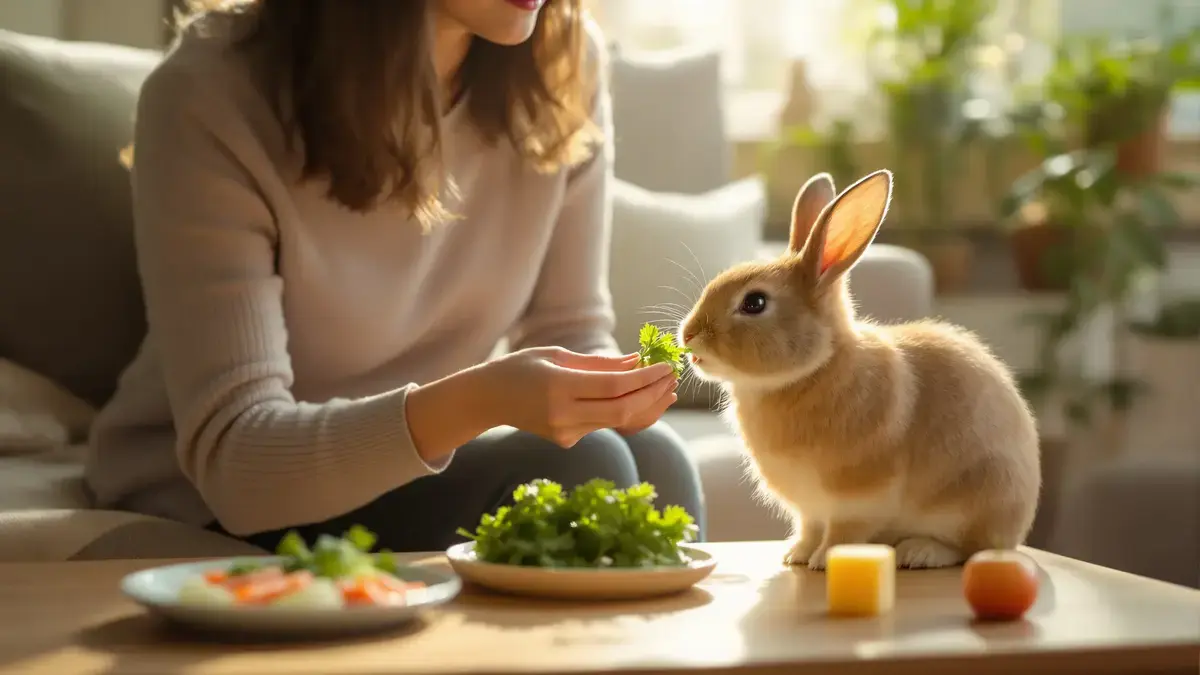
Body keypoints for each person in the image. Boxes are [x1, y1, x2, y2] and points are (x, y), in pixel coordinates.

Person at [84, 0, 706, 553]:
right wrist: (485, 399)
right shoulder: (213, 93)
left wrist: (610, 394)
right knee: (583, 466)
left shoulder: (561, 64)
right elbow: (238, 463)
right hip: (224, 493)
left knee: (658, 461)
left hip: (426, 460)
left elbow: (570, 329)